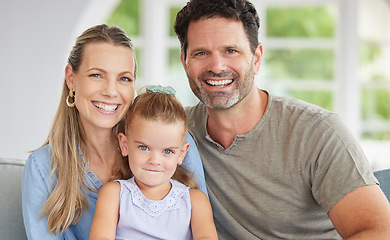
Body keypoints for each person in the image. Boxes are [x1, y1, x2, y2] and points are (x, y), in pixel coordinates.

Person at [174, 0, 390, 239]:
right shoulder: (173, 132)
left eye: (231, 51)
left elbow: (378, 231)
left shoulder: (316, 132)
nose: (216, 66)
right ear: (185, 63)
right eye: (201, 53)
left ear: (256, 59)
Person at [22, 24, 206, 239]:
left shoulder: (173, 144)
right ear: (71, 78)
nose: (110, 91)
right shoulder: (42, 168)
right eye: (96, 75)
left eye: (124, 78)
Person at [89, 86, 218, 240]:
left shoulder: (195, 201)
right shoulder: (114, 194)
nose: (155, 161)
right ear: (124, 145)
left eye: (167, 151)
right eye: (144, 148)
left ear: (181, 154)